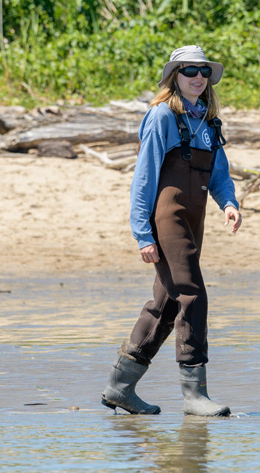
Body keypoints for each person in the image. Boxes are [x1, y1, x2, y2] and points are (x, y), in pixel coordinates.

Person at [101, 45, 241, 417]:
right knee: (192, 295)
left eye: (204, 72)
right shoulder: (162, 116)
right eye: (189, 70)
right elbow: (143, 178)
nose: (198, 77)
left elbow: (219, 174)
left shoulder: (208, 122)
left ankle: (120, 387)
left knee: (165, 305)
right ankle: (195, 395)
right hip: (167, 221)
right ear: (173, 77)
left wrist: (229, 204)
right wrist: (142, 235)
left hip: (195, 222)